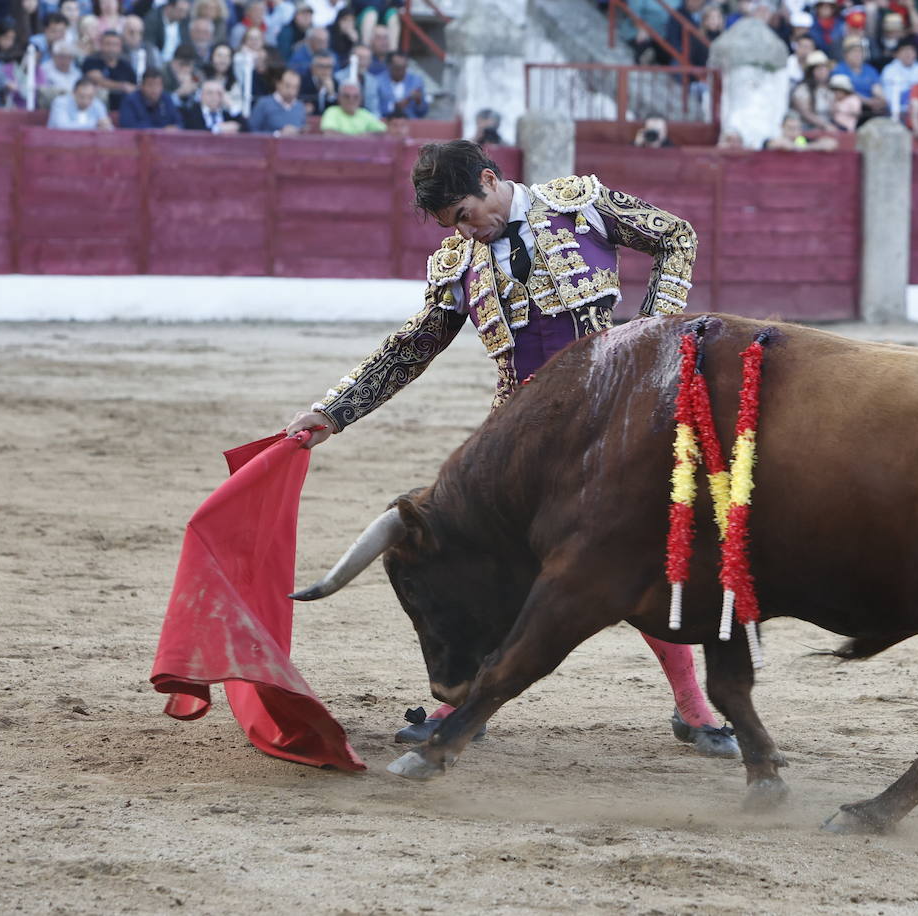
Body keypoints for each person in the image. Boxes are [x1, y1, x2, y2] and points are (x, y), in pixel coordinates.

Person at [283, 141, 740, 758]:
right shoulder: (454, 262)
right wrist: (333, 411)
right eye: (455, 226)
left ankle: (693, 706)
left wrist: (651, 336)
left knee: (624, 554)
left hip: (605, 420)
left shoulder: (581, 205)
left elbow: (677, 236)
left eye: (468, 214)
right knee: (491, 561)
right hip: (518, 439)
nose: (467, 231)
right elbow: (413, 347)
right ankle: (464, 699)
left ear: (491, 181)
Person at [82, 29, 137, 110]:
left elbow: (133, 86)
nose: (111, 48)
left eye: (115, 45)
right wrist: (123, 86)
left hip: (124, 107)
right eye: (108, 44)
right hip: (97, 107)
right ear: (101, 45)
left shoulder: (126, 65)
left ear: (120, 47)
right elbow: (98, 81)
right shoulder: (91, 60)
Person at [248, 65, 304, 133]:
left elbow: (302, 132)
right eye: (288, 86)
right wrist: (277, 134)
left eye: (296, 87)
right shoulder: (263, 104)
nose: (291, 91)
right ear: (278, 84)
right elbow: (251, 132)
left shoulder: (300, 107)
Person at [880, 37, 918, 116]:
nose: (908, 54)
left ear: (916, 53)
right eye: (904, 50)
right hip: (894, 110)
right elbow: (887, 95)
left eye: (911, 50)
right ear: (897, 54)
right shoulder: (889, 70)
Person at [47, 76, 112, 128]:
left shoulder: (98, 104)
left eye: (90, 97)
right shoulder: (60, 102)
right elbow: (62, 127)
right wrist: (95, 124)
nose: (86, 101)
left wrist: (106, 125)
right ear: (73, 93)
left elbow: (109, 128)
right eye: (82, 96)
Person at [377, 49, 425, 118]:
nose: (401, 72)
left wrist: (419, 102)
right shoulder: (378, 81)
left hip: (411, 124)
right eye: (397, 68)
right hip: (385, 122)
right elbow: (374, 107)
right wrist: (394, 106)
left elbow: (423, 112)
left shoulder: (416, 81)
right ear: (389, 66)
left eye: (404, 68)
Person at [298, 48, 335, 112]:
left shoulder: (335, 83)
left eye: (329, 66)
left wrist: (331, 95)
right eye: (321, 66)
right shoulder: (302, 82)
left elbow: (335, 111)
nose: (325, 70)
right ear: (313, 67)